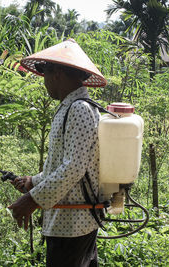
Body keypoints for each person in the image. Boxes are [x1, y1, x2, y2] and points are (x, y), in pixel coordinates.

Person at [8, 39, 107, 267]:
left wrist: (31, 200)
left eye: (45, 75)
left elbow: (73, 168)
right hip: (67, 222)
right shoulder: (69, 108)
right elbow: (62, 165)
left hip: (73, 226)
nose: (44, 83)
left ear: (58, 73)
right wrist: (33, 181)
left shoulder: (80, 109)